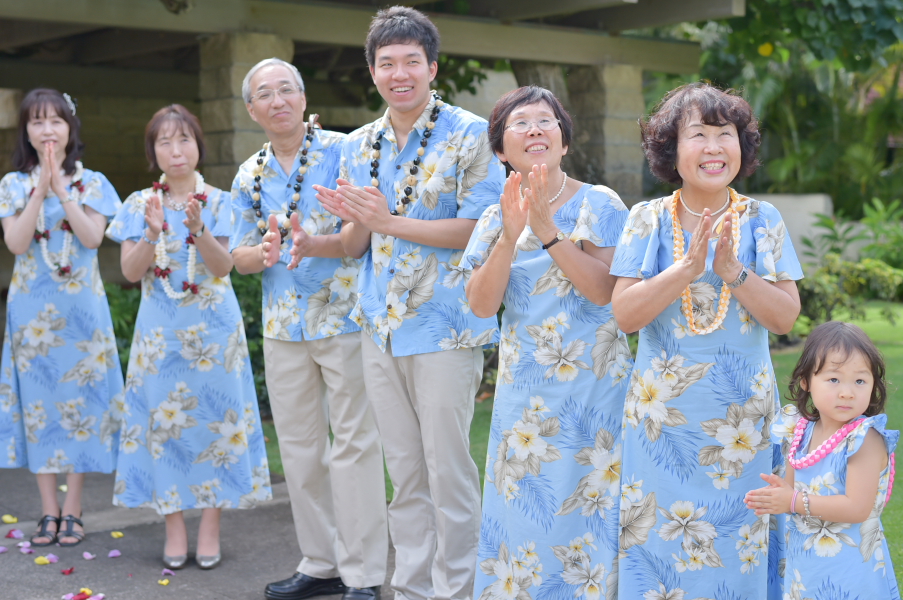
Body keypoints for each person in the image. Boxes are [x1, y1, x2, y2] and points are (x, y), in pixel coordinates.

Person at [315, 7, 505, 600]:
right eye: (387, 63)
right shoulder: (357, 145)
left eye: (411, 62)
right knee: (406, 472)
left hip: (446, 327)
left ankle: (459, 590)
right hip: (380, 327)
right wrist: (319, 237)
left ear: (432, 67)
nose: (400, 73)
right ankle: (413, 588)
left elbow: (478, 227)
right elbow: (356, 243)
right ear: (372, 71)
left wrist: (388, 220)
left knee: (449, 469)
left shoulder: (472, 134)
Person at [609, 82, 803, 599]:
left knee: (741, 543)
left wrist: (733, 272)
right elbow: (624, 315)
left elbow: (785, 318)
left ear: (743, 147)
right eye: (699, 134)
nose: (715, 147)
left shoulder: (763, 220)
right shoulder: (646, 219)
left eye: (726, 134)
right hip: (661, 425)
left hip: (744, 424)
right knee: (657, 552)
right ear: (672, 149)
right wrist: (687, 269)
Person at [462, 85, 631, 600]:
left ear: (563, 141)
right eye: (520, 123)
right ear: (500, 150)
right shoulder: (494, 219)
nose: (535, 128)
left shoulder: (600, 203)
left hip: (598, 392)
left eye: (545, 121)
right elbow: (480, 305)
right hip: (525, 400)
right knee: (528, 516)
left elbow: (606, 292)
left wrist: (549, 232)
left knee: (593, 514)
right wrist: (512, 236)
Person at [230, 58, 387, 600]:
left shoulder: (344, 150)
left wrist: (320, 242)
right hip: (281, 325)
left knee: (354, 445)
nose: (276, 101)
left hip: (343, 315)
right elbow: (239, 257)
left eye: (285, 90)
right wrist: (263, 250)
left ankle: (364, 572)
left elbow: (363, 224)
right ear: (252, 110)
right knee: (299, 450)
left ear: (302, 98)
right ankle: (320, 563)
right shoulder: (248, 174)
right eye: (264, 95)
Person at [105, 104, 271, 570]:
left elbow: (224, 269)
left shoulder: (221, 201)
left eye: (183, 140)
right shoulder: (139, 203)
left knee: (214, 424)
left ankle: (212, 524)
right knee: (164, 426)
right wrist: (152, 233)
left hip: (214, 331)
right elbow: (131, 271)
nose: (175, 151)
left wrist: (198, 231)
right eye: (164, 141)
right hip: (160, 332)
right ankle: (174, 525)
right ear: (152, 151)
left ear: (198, 145)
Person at [0, 88, 124, 548]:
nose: (47, 129)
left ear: (70, 128)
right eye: (37, 122)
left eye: (55, 120)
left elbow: (92, 238)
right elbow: (15, 243)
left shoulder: (93, 182)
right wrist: (39, 189)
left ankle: (73, 510)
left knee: (82, 405)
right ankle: (48, 510)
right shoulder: (12, 184)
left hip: (81, 311)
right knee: (40, 407)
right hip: (31, 313)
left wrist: (62, 192)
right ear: (26, 132)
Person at [746, 321, 900, 599]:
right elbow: (791, 490)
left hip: (851, 568)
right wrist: (776, 495)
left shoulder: (864, 439)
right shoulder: (801, 429)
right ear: (806, 381)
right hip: (806, 566)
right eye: (834, 379)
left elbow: (856, 508)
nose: (847, 392)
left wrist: (792, 501)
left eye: (860, 381)